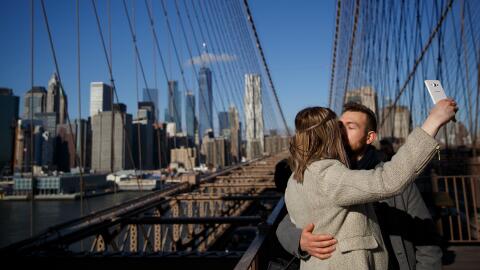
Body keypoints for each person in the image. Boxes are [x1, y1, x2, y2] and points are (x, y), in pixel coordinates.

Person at [284, 99, 456, 269]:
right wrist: (299, 240)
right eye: (338, 127)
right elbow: (287, 223)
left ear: (370, 137)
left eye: (349, 127)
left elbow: (427, 239)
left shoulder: (298, 177)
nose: (341, 133)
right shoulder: (327, 174)